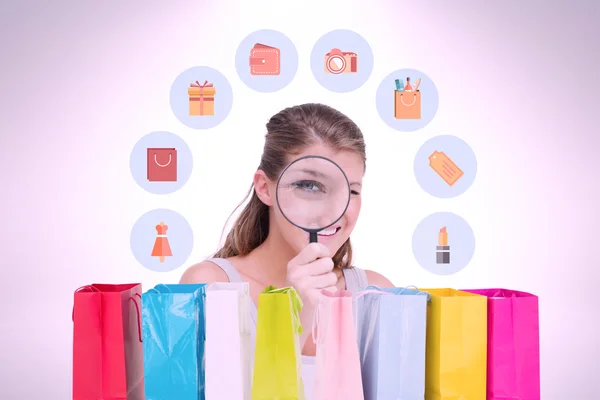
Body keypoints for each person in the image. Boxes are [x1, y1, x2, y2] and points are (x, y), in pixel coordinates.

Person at [180, 102, 394, 390]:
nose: (333, 209)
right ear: (265, 187)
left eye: (351, 191)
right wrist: (296, 316)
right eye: (309, 185)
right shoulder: (212, 287)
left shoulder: (375, 295)